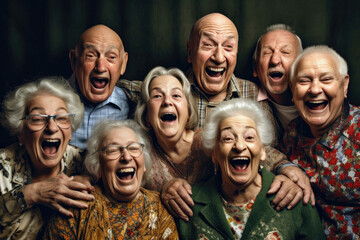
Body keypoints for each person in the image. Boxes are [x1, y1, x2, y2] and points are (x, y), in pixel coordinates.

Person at [178, 98, 325, 240]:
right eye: (228, 138)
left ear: (262, 152)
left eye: (249, 137)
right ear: (215, 155)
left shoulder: (294, 198)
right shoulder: (188, 205)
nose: (240, 146)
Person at [43, 119, 179, 239]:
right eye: (113, 150)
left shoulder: (161, 211)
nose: (126, 157)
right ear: (98, 167)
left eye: (133, 148)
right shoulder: (76, 207)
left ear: (143, 164)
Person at [0, 77, 94, 240]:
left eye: (61, 118)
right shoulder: (3, 164)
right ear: (21, 133)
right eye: (37, 119)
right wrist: (32, 193)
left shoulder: (84, 163)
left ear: (70, 132)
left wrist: (94, 183)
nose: (51, 127)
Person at [282, 45, 360, 239]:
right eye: (304, 81)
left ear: (345, 85)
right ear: (292, 89)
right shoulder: (292, 131)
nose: (315, 89)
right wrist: (283, 166)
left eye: (326, 79)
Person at [134, 66, 212, 192]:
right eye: (157, 96)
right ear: (146, 115)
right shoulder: (139, 151)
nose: (167, 101)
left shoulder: (209, 146)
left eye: (176, 95)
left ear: (188, 111)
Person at [68, 24, 129, 149]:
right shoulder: (52, 103)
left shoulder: (136, 103)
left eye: (111, 57)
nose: (100, 67)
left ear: (123, 64)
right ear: (74, 61)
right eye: (90, 56)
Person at [253, 24, 301, 139]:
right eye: (267, 53)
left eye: (285, 52)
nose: (275, 60)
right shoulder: (244, 97)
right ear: (255, 68)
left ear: (301, 66)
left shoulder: (318, 99)